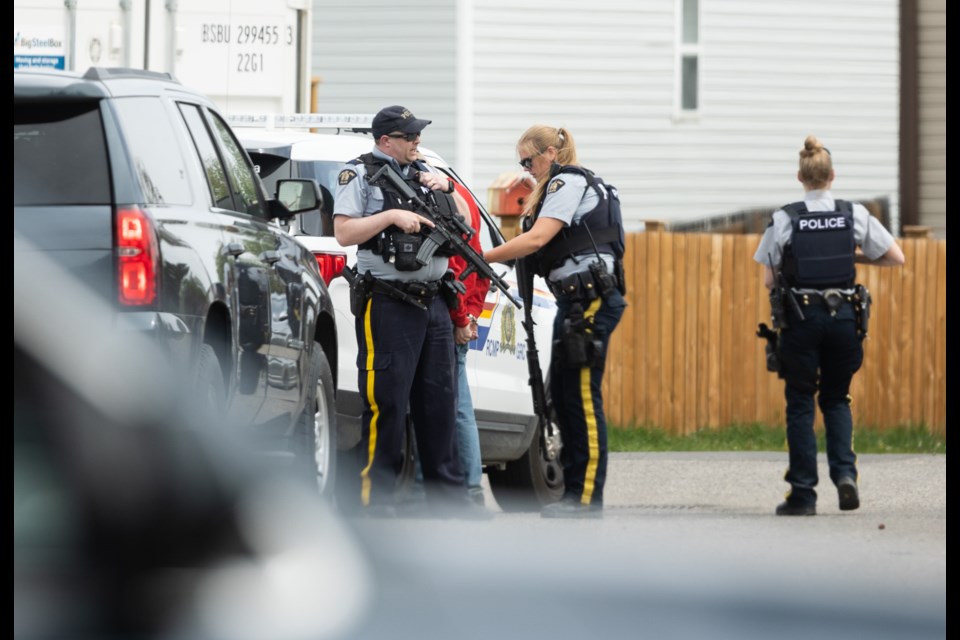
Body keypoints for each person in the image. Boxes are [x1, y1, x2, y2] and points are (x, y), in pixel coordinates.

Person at [332, 105, 490, 518]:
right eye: (409, 137)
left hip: (435, 299)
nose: (416, 142)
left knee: (439, 402)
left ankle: (449, 500)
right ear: (386, 141)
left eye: (417, 136)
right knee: (386, 400)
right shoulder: (359, 174)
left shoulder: (426, 175)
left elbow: (461, 231)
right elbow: (344, 231)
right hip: (389, 300)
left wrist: (448, 190)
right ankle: (376, 497)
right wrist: (390, 216)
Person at [753, 135, 905, 516]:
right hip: (845, 318)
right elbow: (894, 257)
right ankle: (845, 476)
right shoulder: (853, 214)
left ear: (800, 176)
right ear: (832, 175)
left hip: (801, 319)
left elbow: (770, 281)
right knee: (837, 398)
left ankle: (803, 495)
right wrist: (852, 258)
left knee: (801, 403)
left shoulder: (786, 217)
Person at [483, 125, 627, 519]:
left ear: (550, 152)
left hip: (590, 301)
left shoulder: (567, 181)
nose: (527, 170)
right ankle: (573, 493)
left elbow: (536, 240)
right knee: (564, 398)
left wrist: (483, 256)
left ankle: (585, 499)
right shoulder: (564, 186)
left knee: (581, 398)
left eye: (528, 161)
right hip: (576, 302)